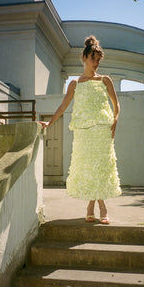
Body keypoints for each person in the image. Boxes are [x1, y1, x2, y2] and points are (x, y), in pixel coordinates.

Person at [39, 35, 121, 224]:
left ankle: (97, 207)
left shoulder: (105, 80)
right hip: (83, 132)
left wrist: (115, 120)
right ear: (84, 58)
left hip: (102, 130)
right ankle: (95, 207)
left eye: (98, 60)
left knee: (100, 168)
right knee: (88, 168)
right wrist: (49, 123)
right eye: (93, 59)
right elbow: (63, 106)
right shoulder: (74, 84)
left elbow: (117, 104)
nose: (96, 63)